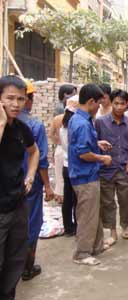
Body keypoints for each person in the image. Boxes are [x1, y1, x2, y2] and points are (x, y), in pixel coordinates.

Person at [0, 75, 39, 300]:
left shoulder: (22, 128)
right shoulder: (5, 125)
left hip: (17, 205)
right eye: (10, 98)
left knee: (15, 261)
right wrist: (2, 123)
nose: (16, 104)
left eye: (21, 99)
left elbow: (34, 152)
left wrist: (31, 176)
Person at [68, 84, 113, 266]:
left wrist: (97, 143)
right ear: (91, 102)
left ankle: (96, 245)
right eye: (99, 104)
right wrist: (102, 158)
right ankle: (82, 253)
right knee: (87, 215)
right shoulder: (82, 123)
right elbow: (83, 153)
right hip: (84, 177)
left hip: (87, 175)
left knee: (94, 213)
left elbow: (84, 145)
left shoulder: (80, 119)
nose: (100, 108)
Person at [17, 80, 54, 281]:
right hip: (29, 186)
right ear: (29, 100)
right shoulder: (34, 125)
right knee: (31, 224)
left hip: (8, 186)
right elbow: (40, 160)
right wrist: (48, 186)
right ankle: (27, 268)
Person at [95, 89, 128, 246]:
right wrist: (100, 159)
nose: (119, 107)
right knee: (108, 202)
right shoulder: (100, 122)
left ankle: (125, 226)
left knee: (126, 200)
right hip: (106, 170)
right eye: (116, 103)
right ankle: (112, 231)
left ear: (127, 105)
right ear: (111, 103)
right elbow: (94, 143)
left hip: (125, 169)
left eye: (122, 103)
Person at [60, 97, 79, 236]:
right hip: (75, 166)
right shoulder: (75, 126)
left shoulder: (63, 126)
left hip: (66, 165)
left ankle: (68, 227)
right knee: (77, 200)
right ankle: (77, 226)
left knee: (68, 199)